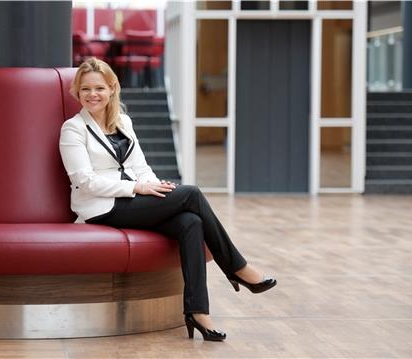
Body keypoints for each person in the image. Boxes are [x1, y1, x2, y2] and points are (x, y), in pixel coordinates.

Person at [59, 57, 276, 341]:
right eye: (85, 89)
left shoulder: (123, 122)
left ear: (112, 89)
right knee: (192, 193)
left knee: (190, 222)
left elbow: (140, 166)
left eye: (99, 87)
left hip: (133, 198)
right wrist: (137, 189)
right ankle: (236, 267)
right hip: (102, 206)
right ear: (78, 93)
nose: (92, 95)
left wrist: (152, 185)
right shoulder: (73, 129)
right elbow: (83, 180)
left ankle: (198, 312)